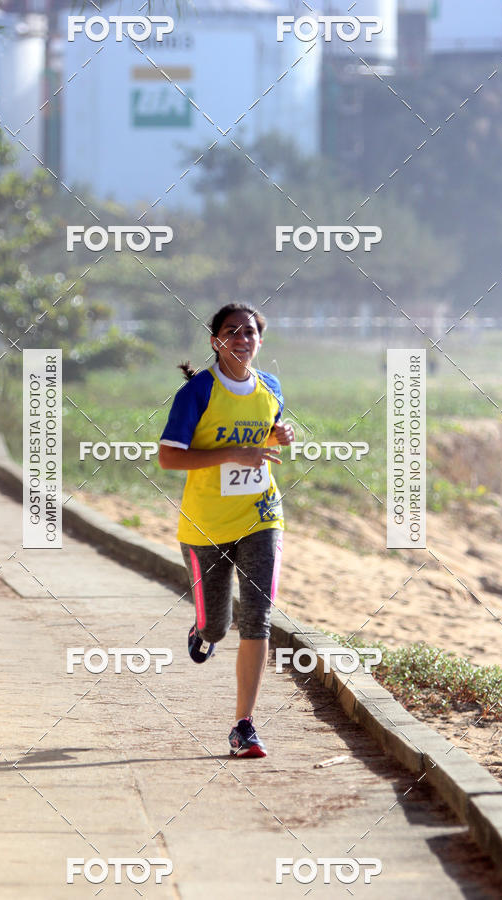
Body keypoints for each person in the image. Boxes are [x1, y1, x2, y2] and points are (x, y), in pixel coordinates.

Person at [158, 303, 294, 757]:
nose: (241, 338)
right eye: (231, 331)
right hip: (205, 525)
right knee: (217, 627)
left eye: (249, 332)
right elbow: (169, 457)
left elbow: (261, 437)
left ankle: (243, 726)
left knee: (257, 618)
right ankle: (202, 631)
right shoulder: (198, 392)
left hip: (262, 515)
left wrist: (277, 436)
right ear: (215, 341)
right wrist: (233, 453)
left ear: (260, 341)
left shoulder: (271, 386)